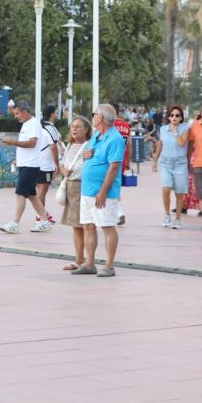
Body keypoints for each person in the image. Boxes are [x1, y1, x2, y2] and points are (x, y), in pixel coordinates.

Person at [0, 99, 55, 234]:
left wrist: (12, 142)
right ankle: (45, 221)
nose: (15, 116)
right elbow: (26, 145)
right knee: (31, 195)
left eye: (17, 113)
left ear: (24, 111)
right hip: (26, 164)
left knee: (20, 194)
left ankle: (15, 223)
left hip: (31, 165)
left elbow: (32, 144)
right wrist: (17, 160)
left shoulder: (33, 124)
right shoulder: (26, 124)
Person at [81, 104, 125, 276]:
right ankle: (89, 263)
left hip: (103, 193)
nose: (92, 117)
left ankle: (109, 265)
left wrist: (102, 192)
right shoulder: (97, 135)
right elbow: (88, 152)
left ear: (100, 117)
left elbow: (114, 168)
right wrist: (86, 154)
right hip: (88, 190)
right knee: (88, 226)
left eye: (94, 114)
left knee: (107, 226)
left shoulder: (115, 139)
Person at [57, 116, 95, 273]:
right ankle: (79, 259)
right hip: (70, 187)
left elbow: (88, 166)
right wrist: (63, 170)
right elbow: (63, 163)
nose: (74, 129)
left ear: (86, 129)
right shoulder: (70, 145)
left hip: (82, 186)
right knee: (75, 226)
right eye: (72, 126)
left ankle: (86, 260)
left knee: (83, 225)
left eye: (78, 126)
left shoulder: (89, 146)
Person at [155, 105, 190, 228]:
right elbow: (160, 144)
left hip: (180, 164)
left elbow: (181, 143)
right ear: (168, 117)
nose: (174, 117)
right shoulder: (163, 129)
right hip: (165, 163)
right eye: (172, 115)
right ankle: (167, 215)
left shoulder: (185, 129)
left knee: (179, 193)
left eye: (177, 115)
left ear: (181, 118)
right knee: (166, 189)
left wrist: (175, 132)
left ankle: (178, 218)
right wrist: (155, 161)